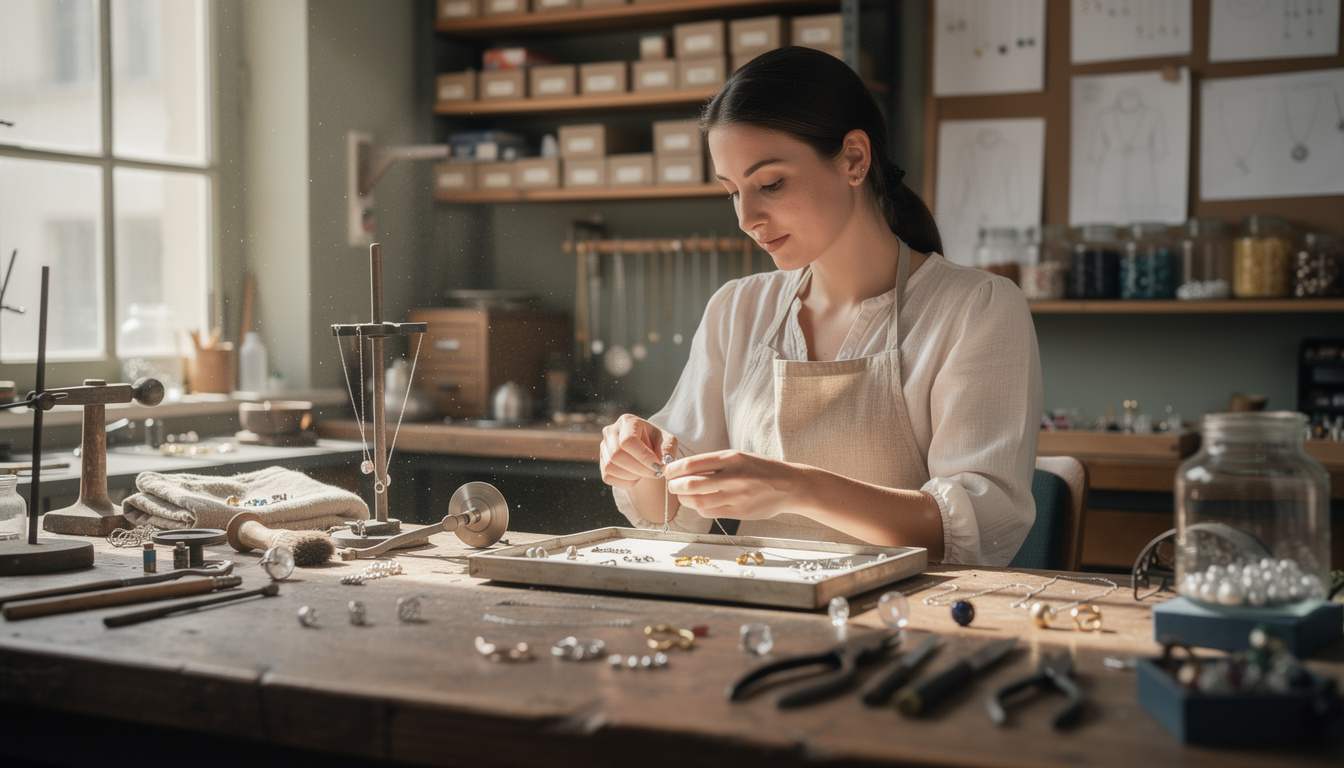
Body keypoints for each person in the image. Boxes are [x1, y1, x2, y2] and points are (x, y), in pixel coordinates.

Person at [599, 47, 1043, 565]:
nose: (747, 217)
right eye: (733, 192)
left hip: (908, 625)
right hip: (763, 614)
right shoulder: (737, 309)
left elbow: (979, 531)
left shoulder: (977, 310)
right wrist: (640, 461)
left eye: (770, 184)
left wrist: (798, 488)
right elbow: (676, 510)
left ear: (854, 158)